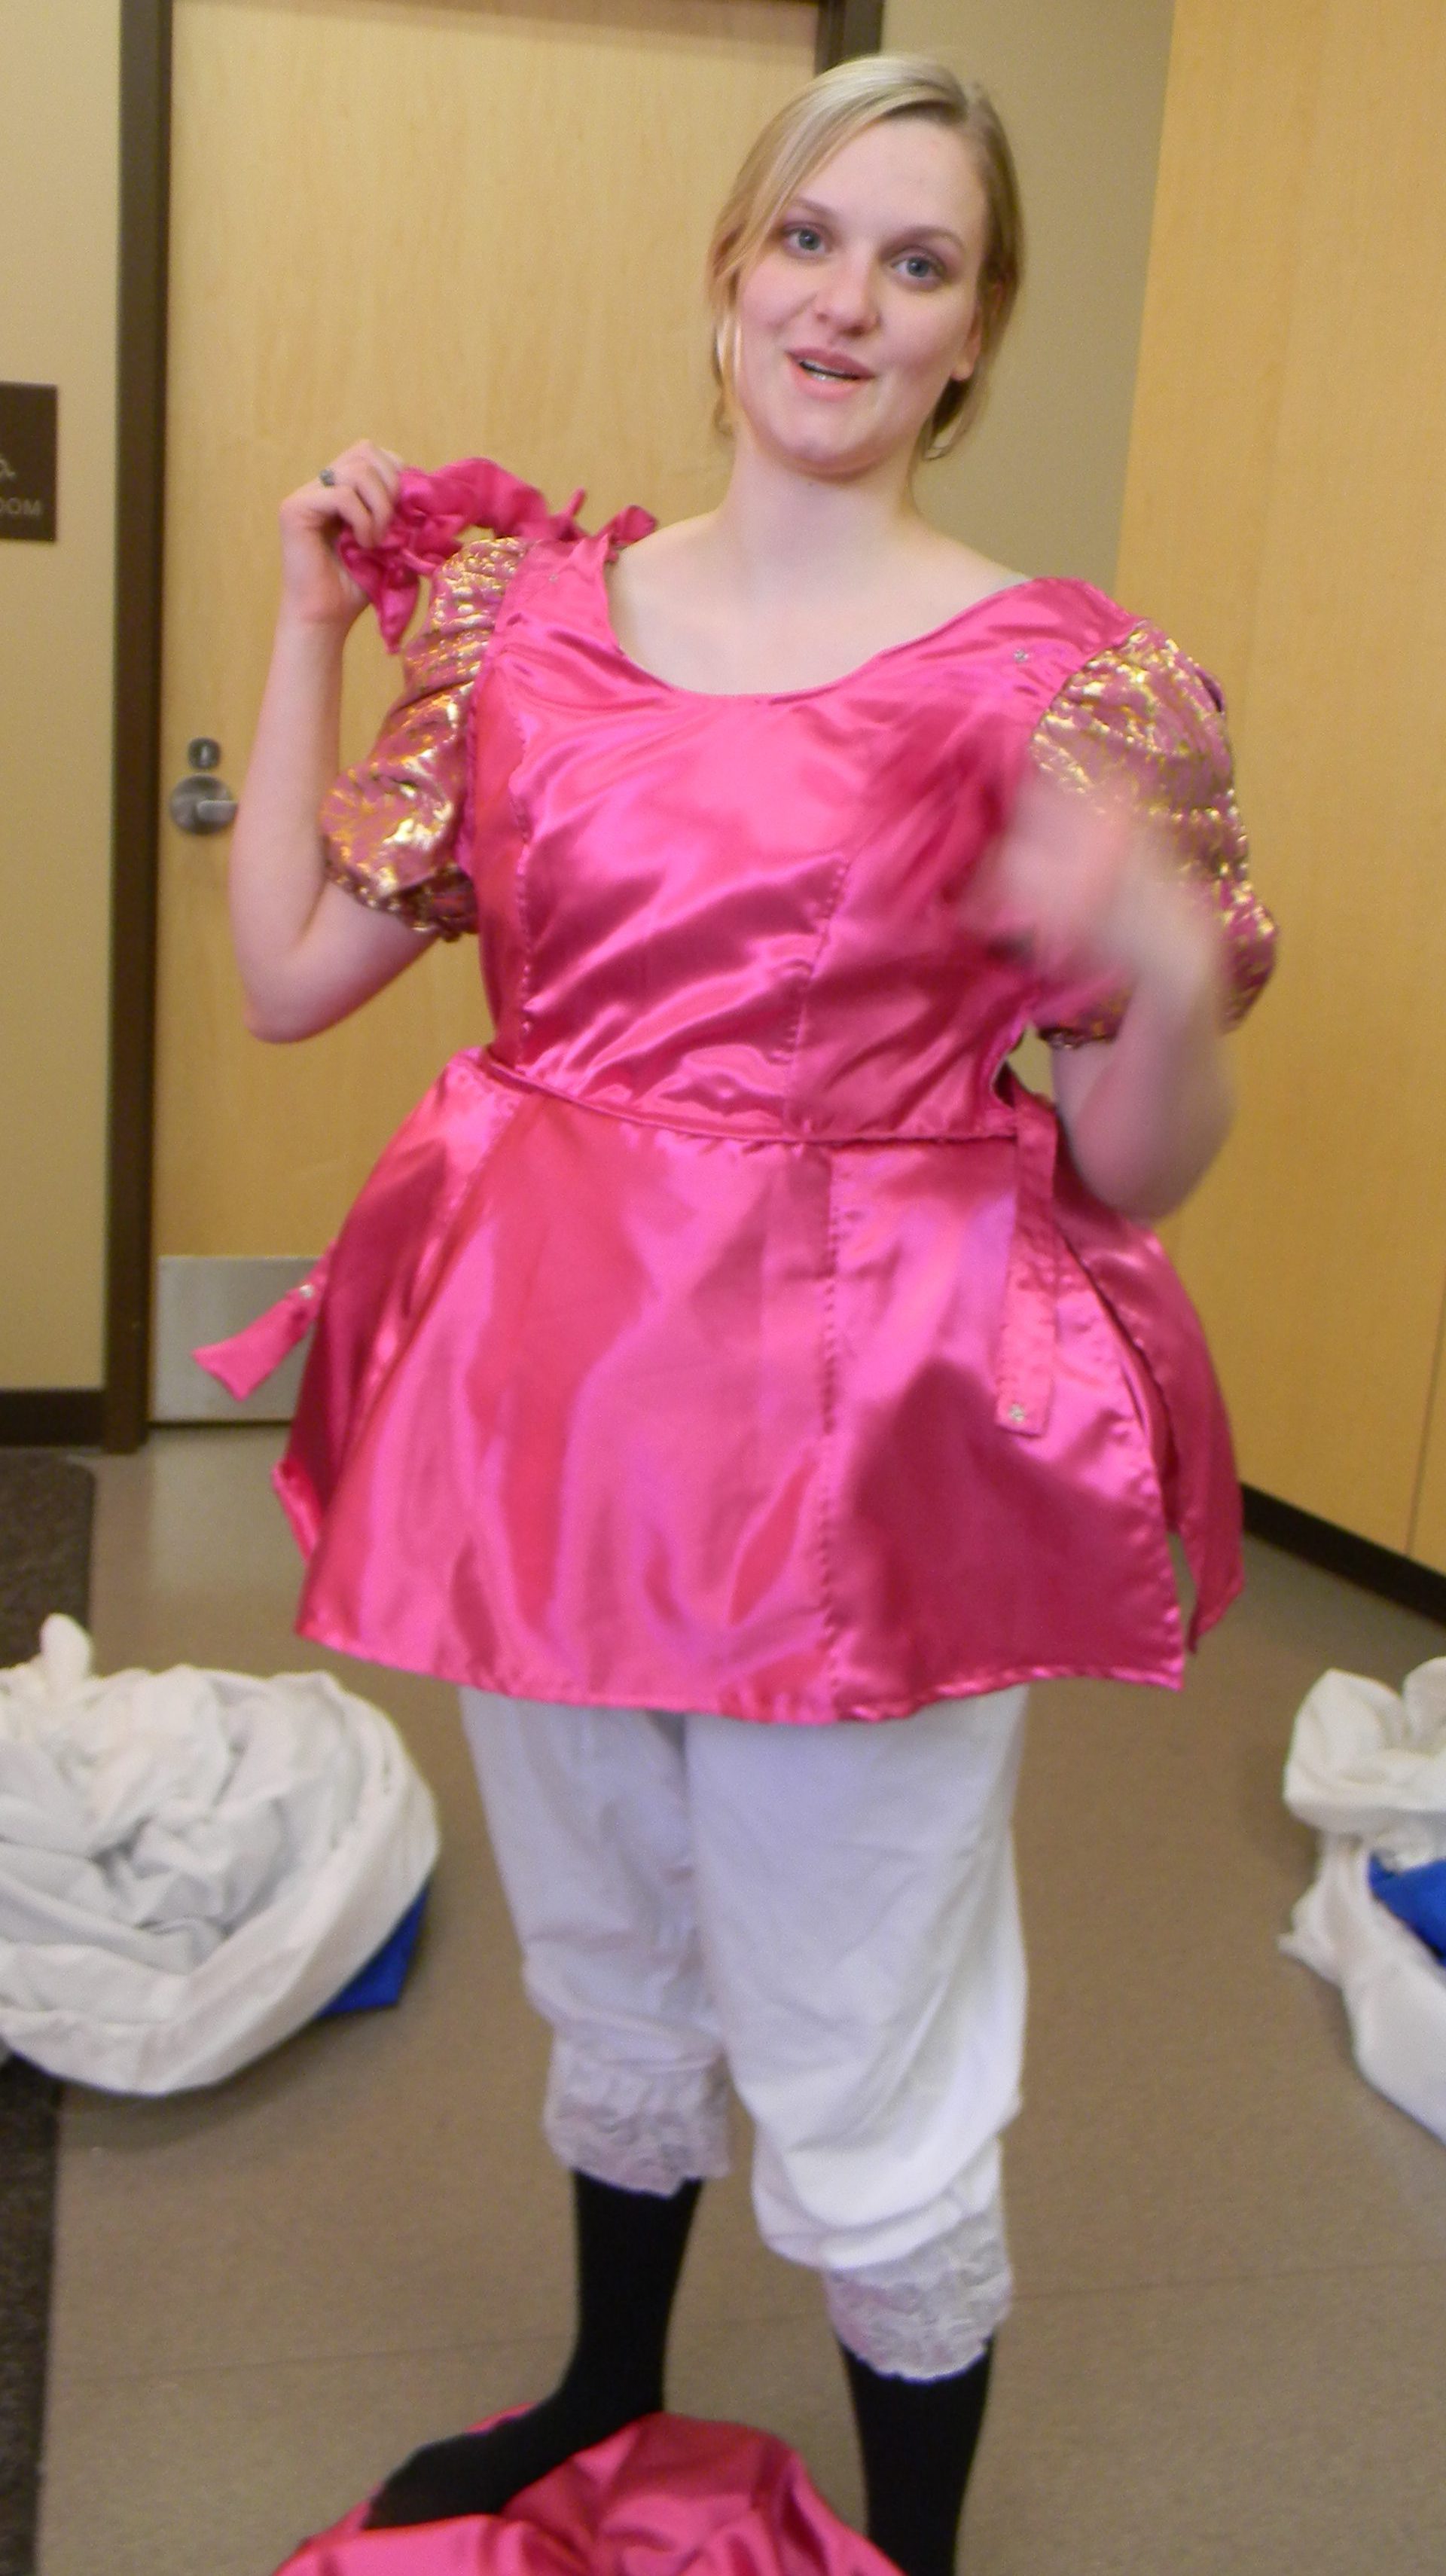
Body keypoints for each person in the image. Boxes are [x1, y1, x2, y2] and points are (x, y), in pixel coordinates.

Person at [219, 52, 1275, 2571]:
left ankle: (913, 2545)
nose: (848, 300)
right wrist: (304, 624)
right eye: (810, 237)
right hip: (548, 1417)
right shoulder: (522, 631)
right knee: (609, 1942)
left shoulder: (1071, 682)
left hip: (865, 1452)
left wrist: (1159, 978)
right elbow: (283, 976)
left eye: (920, 263)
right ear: (726, 276)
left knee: (860, 2017)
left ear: (973, 332)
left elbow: (1133, 1168)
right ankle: (607, 2375)